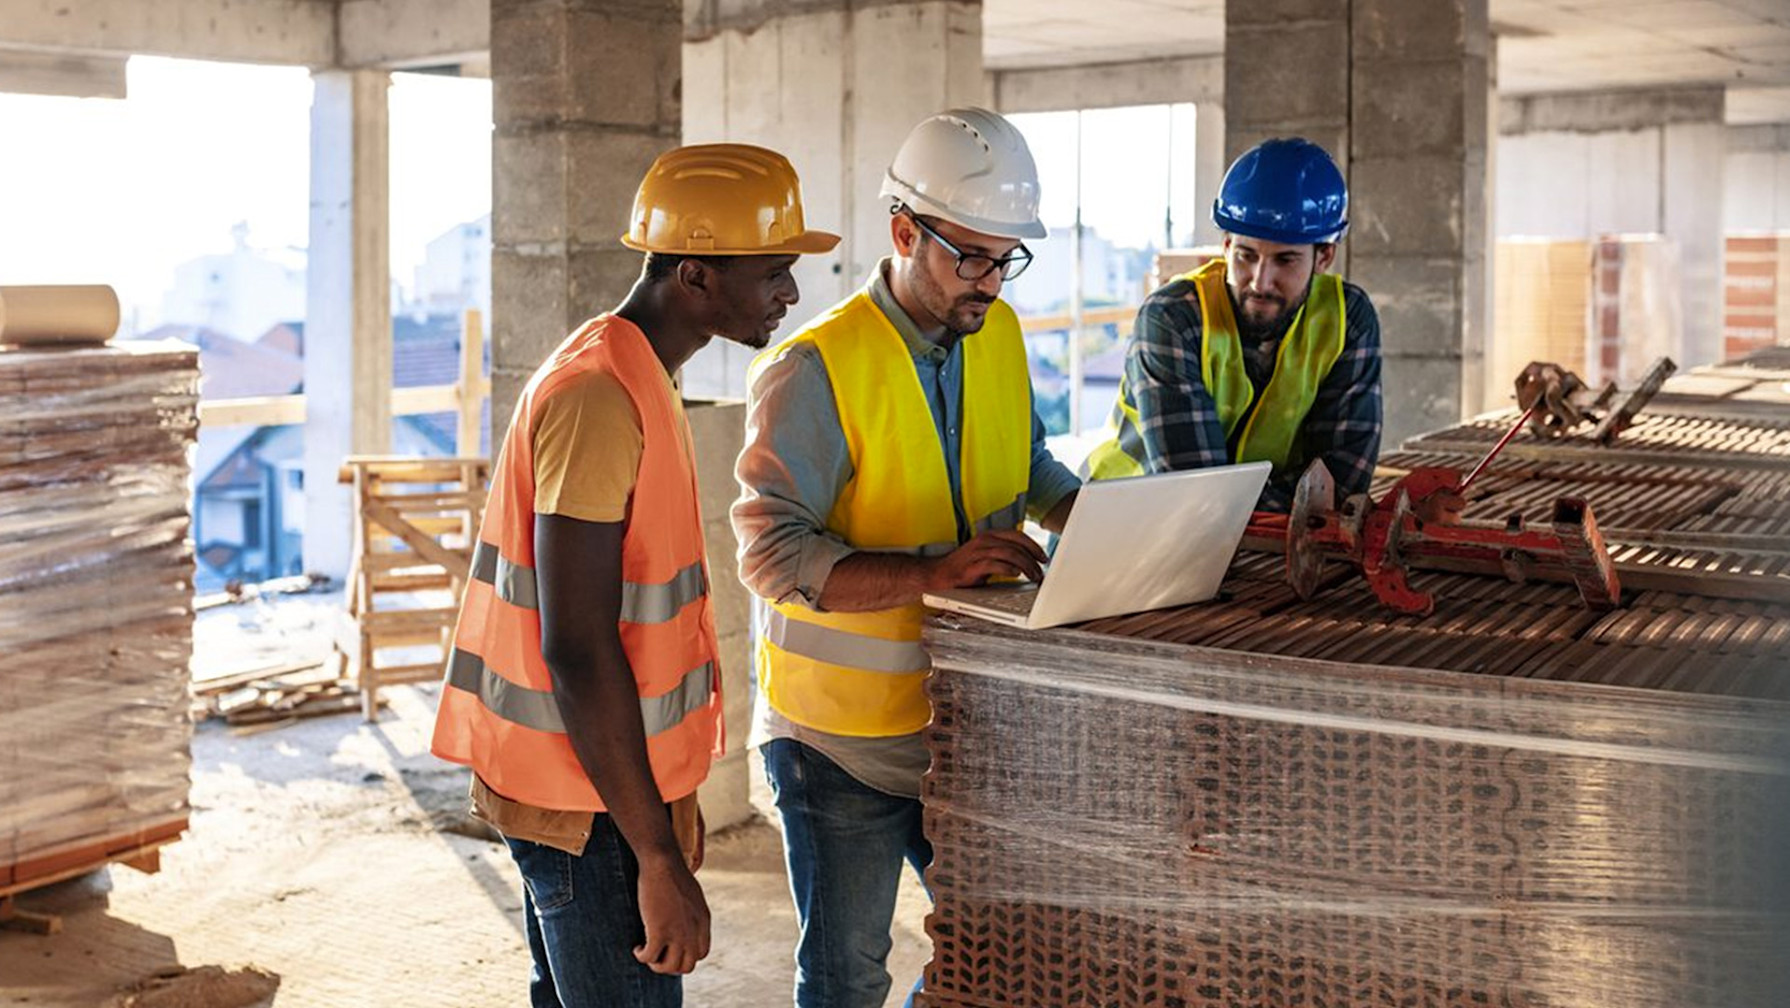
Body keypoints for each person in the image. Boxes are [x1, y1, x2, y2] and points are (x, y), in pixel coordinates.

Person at [431, 143, 838, 1008]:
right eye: (773, 271)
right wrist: (654, 856)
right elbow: (576, 647)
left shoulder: (636, 374)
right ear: (694, 275)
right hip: (587, 805)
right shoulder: (598, 399)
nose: (790, 293)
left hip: (600, 785)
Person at [732, 107, 1080, 1008]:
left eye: (1008, 258)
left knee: (1000, 953)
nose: (993, 283)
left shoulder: (995, 334)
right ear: (902, 232)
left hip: (969, 722)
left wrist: (1092, 516)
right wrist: (933, 574)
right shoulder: (816, 369)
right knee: (847, 979)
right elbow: (773, 555)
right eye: (972, 256)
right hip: (839, 744)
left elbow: (1029, 464)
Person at [1083, 137, 1383, 511]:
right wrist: (1305, 507)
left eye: (1285, 260)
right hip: (1117, 529)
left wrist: (1316, 507)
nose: (1260, 281)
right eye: (1246, 255)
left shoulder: (1347, 319)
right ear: (1226, 245)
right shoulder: (1172, 319)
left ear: (1324, 256)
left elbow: (1339, 486)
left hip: (1249, 543)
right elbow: (1197, 493)